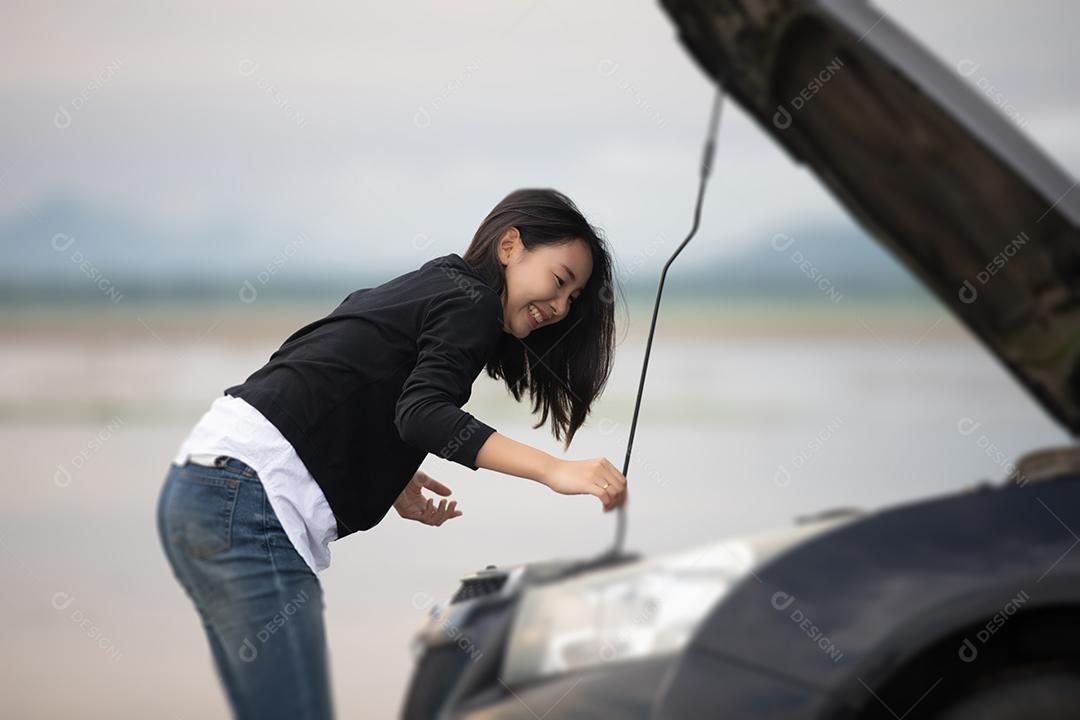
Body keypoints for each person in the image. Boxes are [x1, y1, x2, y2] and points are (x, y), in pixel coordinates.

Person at [156, 187, 629, 719]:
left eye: (573, 299)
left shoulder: (435, 283)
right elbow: (423, 413)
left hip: (205, 486)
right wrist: (554, 470)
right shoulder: (473, 303)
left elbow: (338, 360)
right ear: (510, 246)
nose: (561, 307)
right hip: (247, 497)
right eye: (560, 281)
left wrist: (390, 469)